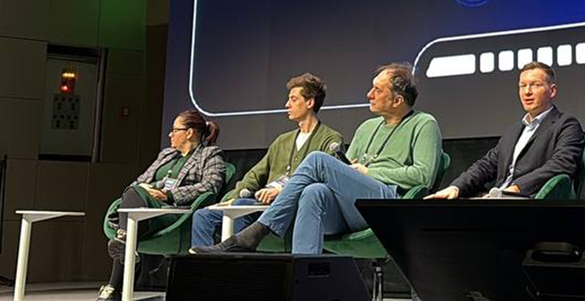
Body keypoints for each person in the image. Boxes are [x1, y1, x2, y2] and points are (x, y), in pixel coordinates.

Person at [192, 63, 442, 255]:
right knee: (314, 191)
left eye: (377, 90)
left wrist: (368, 173)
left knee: (318, 160)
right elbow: (342, 169)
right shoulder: (367, 127)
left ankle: (256, 233)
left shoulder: (424, 124)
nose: (369, 94)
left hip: (387, 204)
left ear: (398, 100)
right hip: (352, 206)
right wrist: (352, 172)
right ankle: (303, 280)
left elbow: (423, 176)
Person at [191, 73, 343, 247]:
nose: (287, 104)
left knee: (242, 207)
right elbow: (255, 175)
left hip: (293, 208)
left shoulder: (330, 139)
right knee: (203, 216)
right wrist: (230, 198)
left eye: (293, 99)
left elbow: (326, 181)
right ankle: (204, 264)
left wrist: (282, 191)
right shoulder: (282, 141)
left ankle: (240, 257)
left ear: (310, 102)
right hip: (263, 205)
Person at [98, 111, 227, 301]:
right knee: (134, 191)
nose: (170, 134)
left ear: (189, 133)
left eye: (175, 130)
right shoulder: (166, 155)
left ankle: (114, 284)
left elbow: (210, 186)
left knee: (130, 218)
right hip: (147, 209)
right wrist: (151, 188)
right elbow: (139, 182)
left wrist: (169, 194)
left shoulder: (209, 155)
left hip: (175, 214)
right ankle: (124, 250)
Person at [427, 62, 584, 199]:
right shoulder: (514, 130)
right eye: (522, 86)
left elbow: (561, 165)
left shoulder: (566, 125)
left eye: (535, 85)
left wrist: (516, 187)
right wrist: (456, 187)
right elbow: (486, 165)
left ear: (552, 91)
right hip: (499, 197)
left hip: (529, 199)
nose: (527, 92)